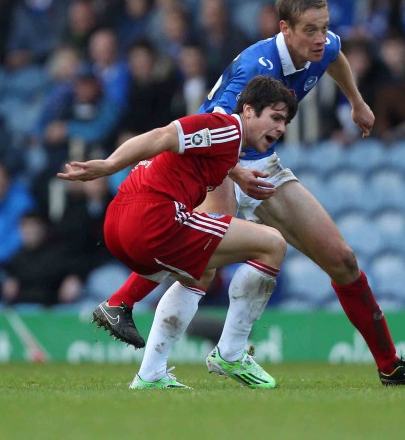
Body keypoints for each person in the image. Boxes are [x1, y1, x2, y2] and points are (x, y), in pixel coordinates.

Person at [94, 0, 405, 387]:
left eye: (324, 28)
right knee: (196, 268)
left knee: (342, 261)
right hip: (220, 166)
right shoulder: (257, 68)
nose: (320, 39)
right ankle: (149, 357)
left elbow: (337, 56)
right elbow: (218, 131)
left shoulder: (322, 45)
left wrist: (356, 102)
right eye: (310, 30)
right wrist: (235, 174)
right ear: (284, 28)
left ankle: (390, 366)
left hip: (264, 165)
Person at [58, 76, 296, 388]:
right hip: (152, 219)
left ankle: (148, 367)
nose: (280, 129)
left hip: (119, 223)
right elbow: (163, 135)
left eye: (285, 122)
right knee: (273, 244)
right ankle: (231, 353)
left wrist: (237, 175)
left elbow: (202, 157)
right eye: (275, 118)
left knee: (201, 271)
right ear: (248, 111)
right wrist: (109, 164)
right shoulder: (226, 127)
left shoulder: (226, 146)